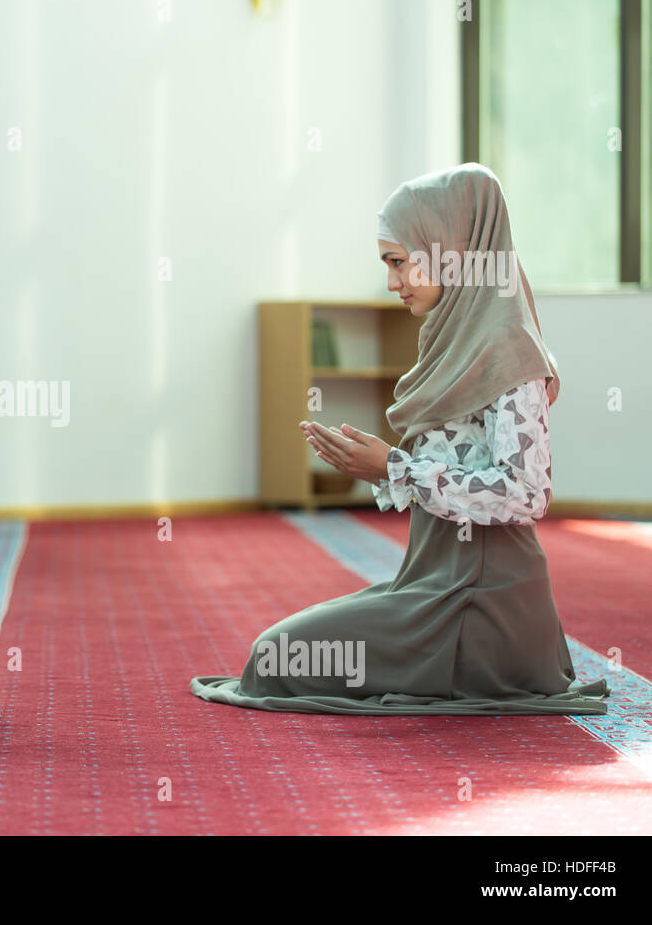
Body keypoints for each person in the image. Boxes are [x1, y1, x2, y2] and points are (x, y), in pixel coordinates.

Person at [191, 163, 610, 715]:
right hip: (434, 585)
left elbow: (527, 493)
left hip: (482, 604)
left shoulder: (510, 350)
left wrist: (396, 467)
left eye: (397, 262)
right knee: (278, 655)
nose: (392, 283)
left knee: (278, 657)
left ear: (448, 250)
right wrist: (383, 465)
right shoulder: (456, 340)